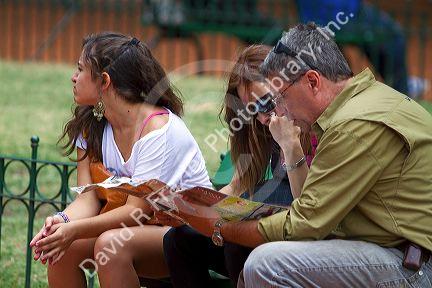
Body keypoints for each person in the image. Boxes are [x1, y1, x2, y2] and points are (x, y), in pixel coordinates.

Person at [158, 23, 432, 287]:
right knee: (189, 241)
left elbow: (305, 224)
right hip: (389, 249)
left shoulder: (353, 125)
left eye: (279, 98)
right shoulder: (359, 106)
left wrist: (219, 226)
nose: (277, 111)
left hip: (410, 266)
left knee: (265, 263)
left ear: (312, 81)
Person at [29, 32, 211, 288]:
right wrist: (63, 223)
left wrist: (74, 231)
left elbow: (137, 212)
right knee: (63, 249)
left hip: (183, 235)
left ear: (104, 81)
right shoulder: (91, 124)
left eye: (80, 69)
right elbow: (87, 198)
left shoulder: (158, 130)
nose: (73, 77)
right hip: (130, 230)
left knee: (110, 246)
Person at [161, 44, 316, 287]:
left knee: (237, 238)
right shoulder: (262, 127)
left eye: (265, 103)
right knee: (178, 240)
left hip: (298, 232)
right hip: (264, 227)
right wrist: (189, 209)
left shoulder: (313, 125)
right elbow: (237, 186)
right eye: (250, 109)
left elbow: (310, 207)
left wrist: (291, 145)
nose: (262, 118)